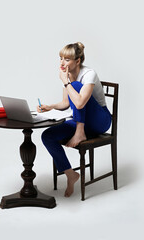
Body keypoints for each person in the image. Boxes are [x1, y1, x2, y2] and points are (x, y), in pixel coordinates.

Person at [38, 42, 111, 197]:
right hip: (81, 120)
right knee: (48, 136)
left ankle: (79, 132)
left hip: (100, 120)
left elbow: (79, 102)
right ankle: (71, 174)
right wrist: (50, 107)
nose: (62, 63)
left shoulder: (89, 73)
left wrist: (66, 82)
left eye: (67, 59)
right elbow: (66, 103)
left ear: (77, 61)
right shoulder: (69, 75)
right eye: (60, 58)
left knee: (76, 86)